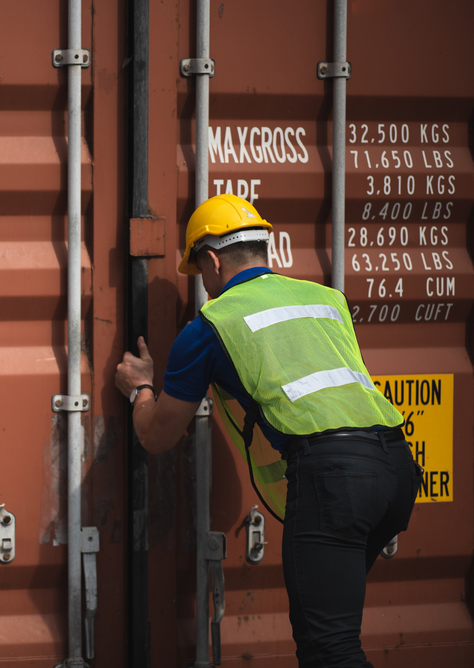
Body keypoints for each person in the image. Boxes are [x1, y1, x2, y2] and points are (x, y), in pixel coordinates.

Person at [115, 194, 421, 668]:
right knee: (334, 630)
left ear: (212, 261)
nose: (204, 287)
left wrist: (141, 388)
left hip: (332, 481)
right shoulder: (326, 299)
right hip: (396, 470)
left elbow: (156, 436)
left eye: (200, 274)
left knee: (329, 649)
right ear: (263, 248)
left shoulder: (211, 325)